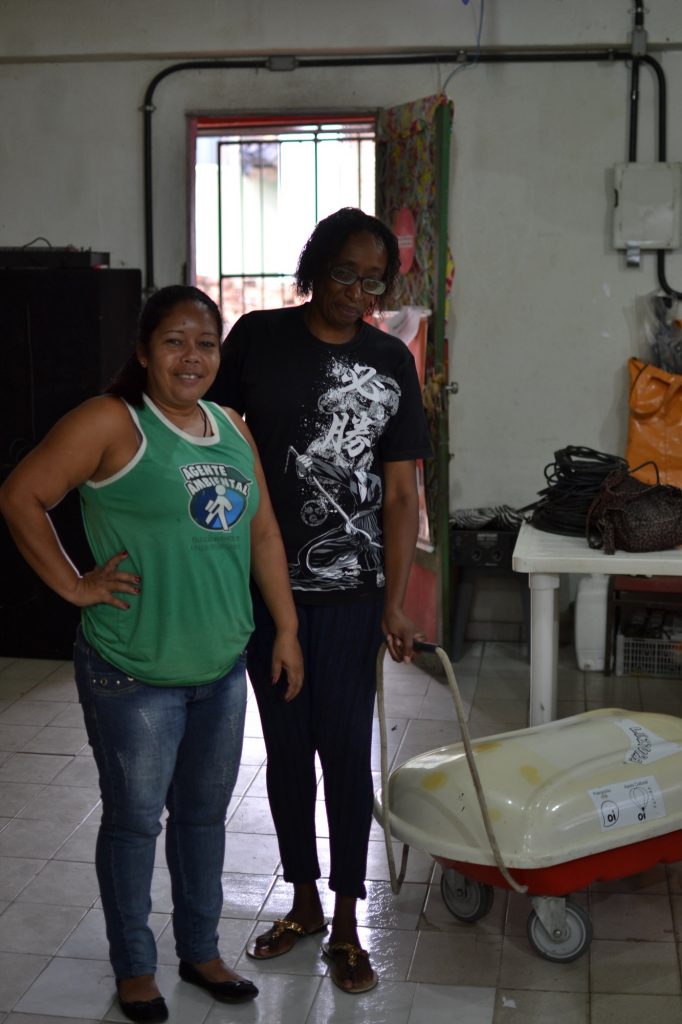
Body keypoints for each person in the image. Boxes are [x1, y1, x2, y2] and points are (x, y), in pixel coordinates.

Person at [0, 285, 303, 1023]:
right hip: (131, 672)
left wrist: (286, 629)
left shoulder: (232, 427)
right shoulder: (114, 422)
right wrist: (74, 586)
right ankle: (135, 966)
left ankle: (199, 951)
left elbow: (261, 533)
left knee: (203, 818)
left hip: (220, 669)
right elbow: (21, 495)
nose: (191, 356)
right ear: (143, 351)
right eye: (174, 341)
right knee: (136, 821)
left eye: (205, 342)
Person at [208, 208, 431, 994]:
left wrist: (396, 603)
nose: (358, 293)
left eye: (374, 280)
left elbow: (401, 495)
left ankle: (344, 917)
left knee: (342, 750)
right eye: (345, 274)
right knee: (285, 751)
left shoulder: (388, 359)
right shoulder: (257, 341)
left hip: (352, 598)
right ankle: (301, 900)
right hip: (266, 592)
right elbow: (209, 440)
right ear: (316, 265)